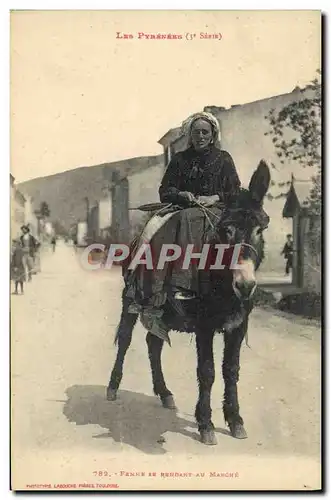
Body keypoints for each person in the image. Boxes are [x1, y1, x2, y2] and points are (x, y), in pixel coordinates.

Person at [126, 112, 241, 319]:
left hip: (216, 210)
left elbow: (235, 190)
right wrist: (180, 194)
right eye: (196, 132)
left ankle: (191, 282)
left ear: (213, 135)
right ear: (190, 135)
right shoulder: (180, 160)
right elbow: (165, 190)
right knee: (152, 228)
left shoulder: (223, 159)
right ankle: (140, 283)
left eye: (205, 132)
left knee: (195, 221)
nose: (201, 136)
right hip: (182, 208)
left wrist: (214, 197)